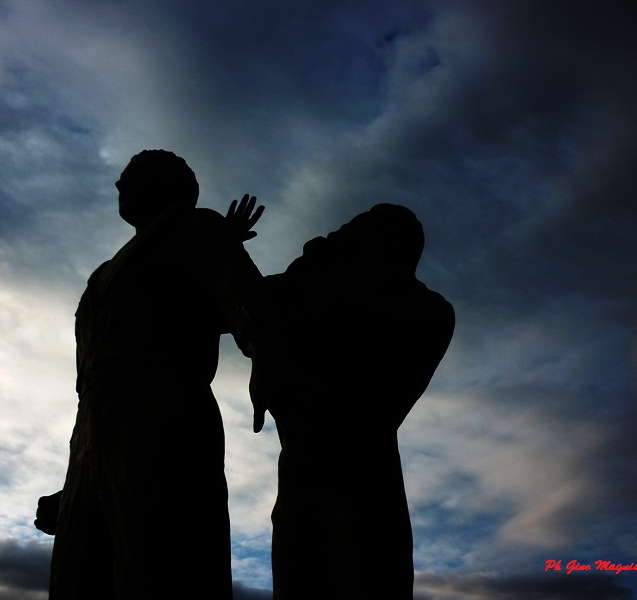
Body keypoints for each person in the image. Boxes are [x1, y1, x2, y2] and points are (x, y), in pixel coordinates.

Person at [39, 150, 263, 599]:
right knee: (79, 576)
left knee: (163, 565)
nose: (119, 186)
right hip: (93, 436)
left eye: (131, 177)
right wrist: (80, 480)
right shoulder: (102, 275)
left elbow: (249, 305)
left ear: (168, 185)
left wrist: (269, 364)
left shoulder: (197, 229)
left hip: (166, 419)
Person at [249, 204, 455, 599]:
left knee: (364, 573)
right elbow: (244, 299)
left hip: (365, 481)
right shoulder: (308, 288)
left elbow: (354, 313)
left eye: (350, 232)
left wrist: (312, 279)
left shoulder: (425, 310)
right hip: (302, 480)